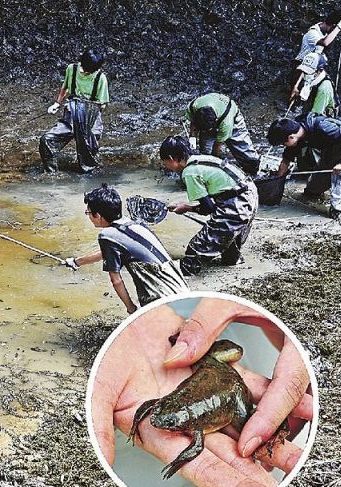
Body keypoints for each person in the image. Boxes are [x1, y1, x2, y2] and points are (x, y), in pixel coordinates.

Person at [91, 299, 312, 487]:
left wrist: (177, 462)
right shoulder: (166, 405)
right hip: (209, 369)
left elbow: (196, 447)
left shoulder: (195, 426)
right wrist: (136, 425)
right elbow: (150, 405)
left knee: (251, 430)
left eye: (170, 423)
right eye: (161, 410)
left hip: (233, 393)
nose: (156, 422)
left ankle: (279, 430)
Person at [64, 183, 187, 314]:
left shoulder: (107, 235)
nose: (88, 216)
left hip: (162, 300)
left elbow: (116, 281)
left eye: (88, 212)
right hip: (182, 292)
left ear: (98, 215)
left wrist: (131, 309)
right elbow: (107, 253)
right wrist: (77, 262)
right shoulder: (134, 224)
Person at [160, 136, 259, 276]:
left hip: (237, 204)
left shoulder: (189, 172)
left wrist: (187, 208)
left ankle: (186, 275)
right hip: (250, 194)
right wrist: (187, 206)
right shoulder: (201, 159)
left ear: (171, 158)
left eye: (165, 162)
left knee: (194, 250)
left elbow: (208, 208)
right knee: (228, 252)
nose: (166, 166)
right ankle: (233, 258)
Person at [267, 114, 341, 219]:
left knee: (337, 213)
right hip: (330, 151)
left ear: (291, 137)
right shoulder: (297, 134)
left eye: (283, 143)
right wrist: (278, 180)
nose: (283, 146)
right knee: (312, 192)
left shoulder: (324, 128)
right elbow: (286, 161)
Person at [39, 49, 109, 173]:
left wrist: (85, 117)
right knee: (46, 140)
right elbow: (65, 87)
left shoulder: (100, 78)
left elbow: (102, 105)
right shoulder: (72, 69)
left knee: (89, 150)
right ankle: (51, 173)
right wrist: (57, 103)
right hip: (71, 115)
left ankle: (90, 171)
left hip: (90, 118)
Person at [185, 93, 260, 175]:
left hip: (232, 118)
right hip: (209, 118)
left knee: (248, 157)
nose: (203, 132)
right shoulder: (192, 107)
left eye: (206, 130)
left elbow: (217, 145)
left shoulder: (226, 123)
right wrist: (192, 142)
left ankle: (254, 170)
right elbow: (193, 124)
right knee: (205, 154)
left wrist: (215, 163)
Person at [291, 10, 341, 88]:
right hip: (301, 68)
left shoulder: (324, 33)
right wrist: (339, 27)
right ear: (333, 25)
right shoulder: (313, 33)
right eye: (334, 28)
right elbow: (325, 42)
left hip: (312, 70)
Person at [291, 52, 337, 117]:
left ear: (319, 71)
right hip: (312, 99)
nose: (305, 74)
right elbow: (303, 74)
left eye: (308, 72)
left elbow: (315, 115)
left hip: (321, 112)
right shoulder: (311, 76)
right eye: (304, 70)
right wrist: (296, 86)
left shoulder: (324, 89)